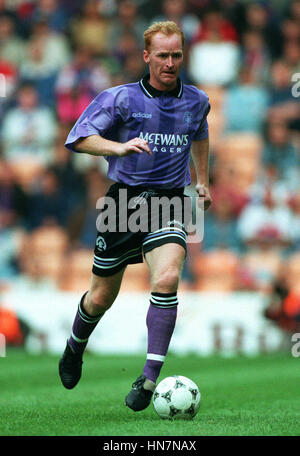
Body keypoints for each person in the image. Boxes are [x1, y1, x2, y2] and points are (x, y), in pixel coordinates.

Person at [59, 21, 212, 412]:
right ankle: (75, 347)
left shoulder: (196, 100)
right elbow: (78, 138)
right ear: (147, 57)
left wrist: (203, 181)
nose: (170, 62)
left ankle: (148, 380)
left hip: (170, 202)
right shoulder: (121, 98)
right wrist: (119, 147)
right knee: (100, 297)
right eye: (162, 55)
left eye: (176, 54)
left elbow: (200, 133)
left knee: (167, 276)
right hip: (122, 204)